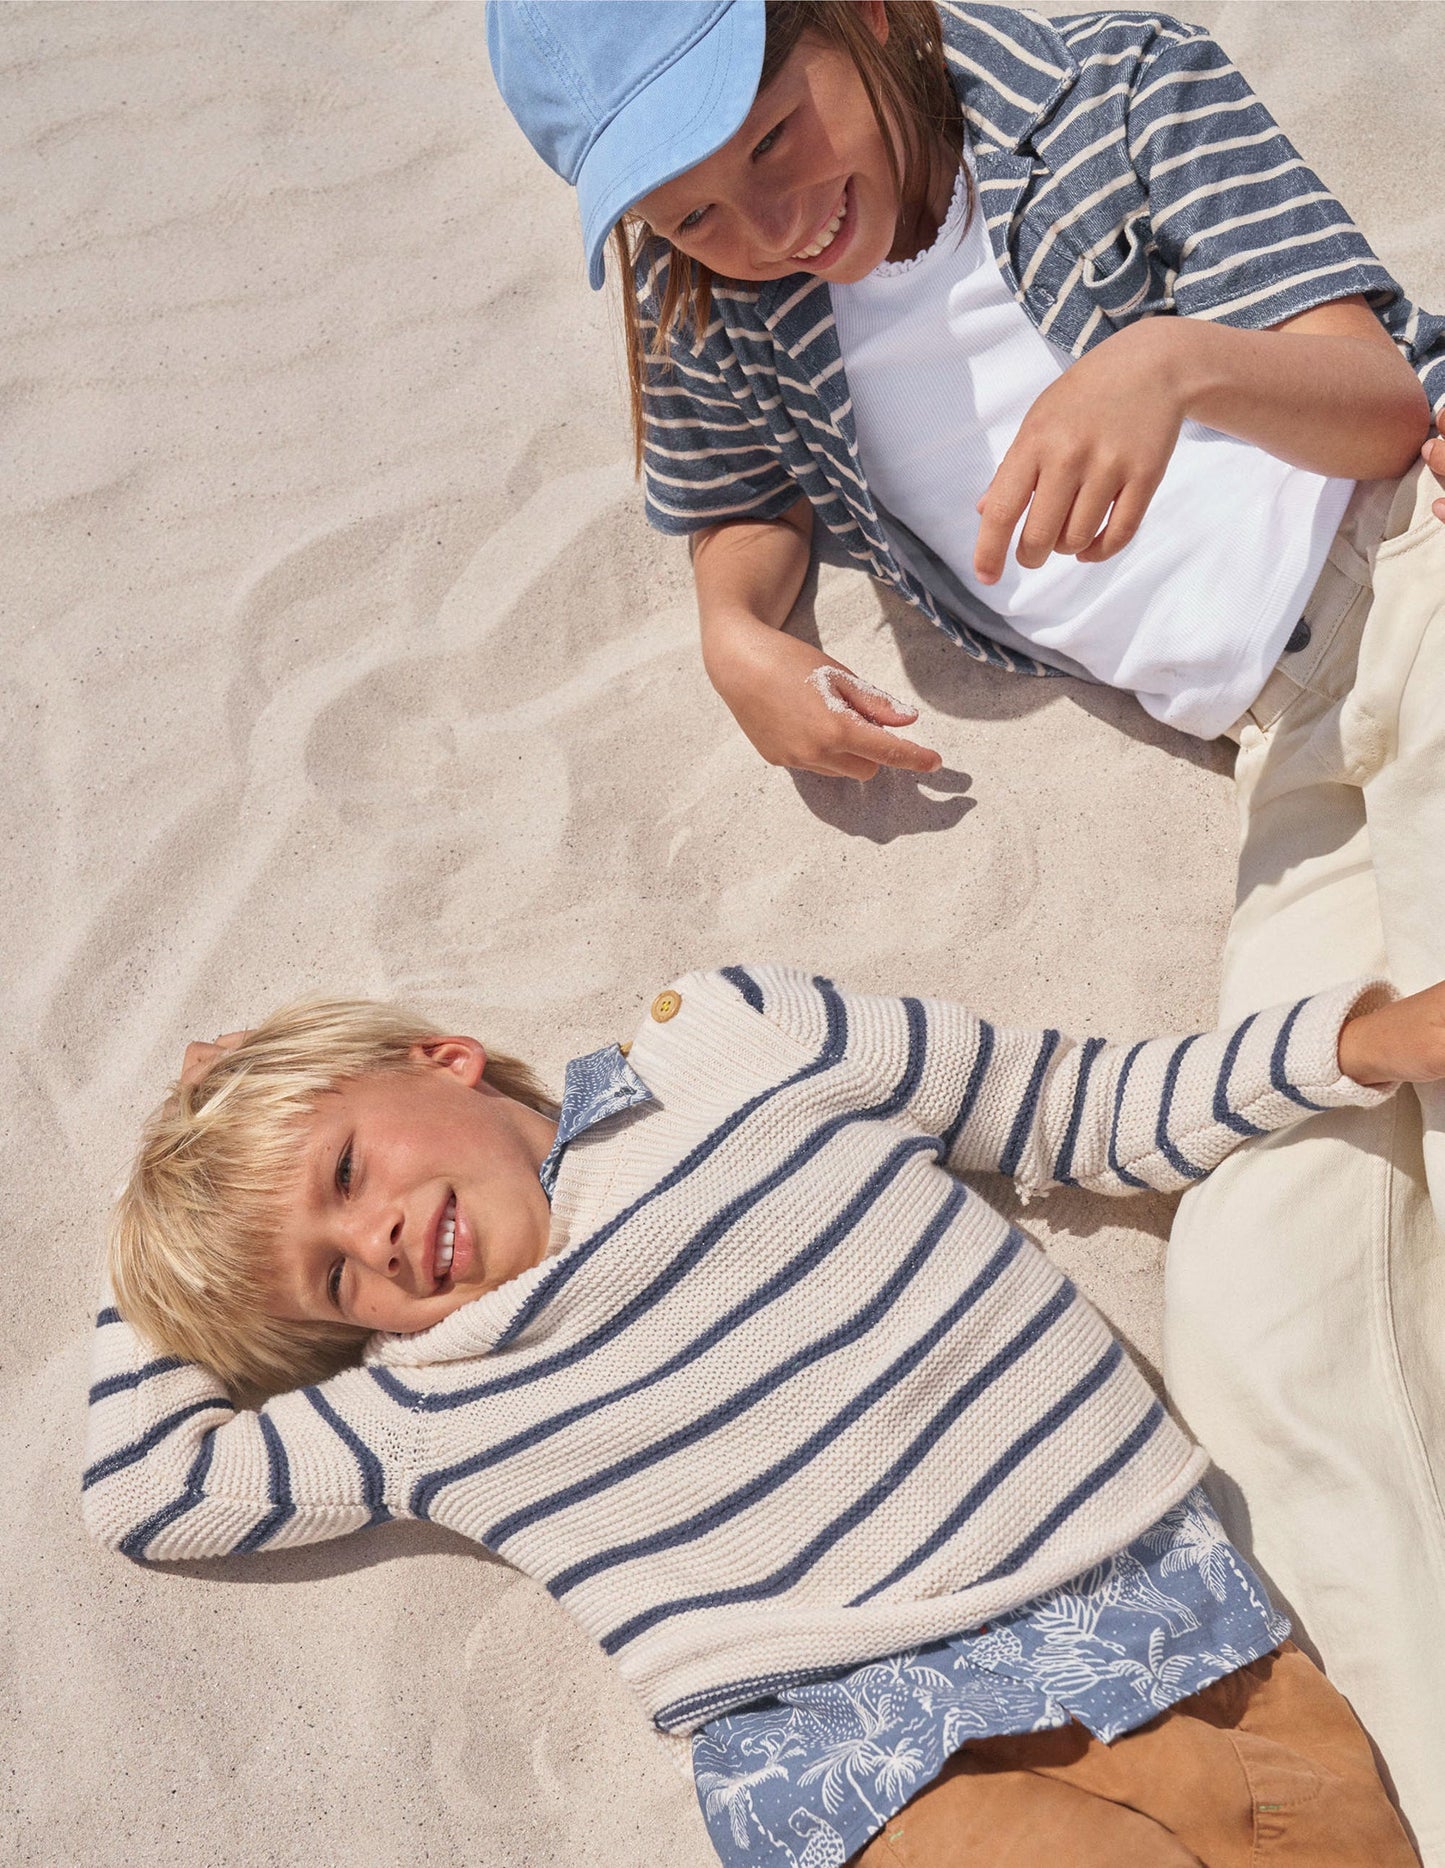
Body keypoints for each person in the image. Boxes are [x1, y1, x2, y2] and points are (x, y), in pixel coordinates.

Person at [484, 4, 1445, 1848]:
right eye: (687, 213)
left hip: (1406, 559)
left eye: (774, 141)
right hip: (1288, 750)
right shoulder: (732, 312)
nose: (766, 223)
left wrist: (1168, 367)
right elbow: (733, 498)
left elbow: (1375, 401)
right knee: (1267, 1322)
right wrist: (741, 634)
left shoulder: (1104, 89)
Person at [87, 965, 1445, 1865]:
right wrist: (159, 1243)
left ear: (442, 1061)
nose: (373, 1238)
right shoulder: (417, 1404)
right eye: (331, 1279)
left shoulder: (735, 1051)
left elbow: (1070, 1105)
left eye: (343, 1166)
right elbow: (144, 1488)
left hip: (1153, 1630)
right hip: (860, 1760)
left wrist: (1348, 1046)